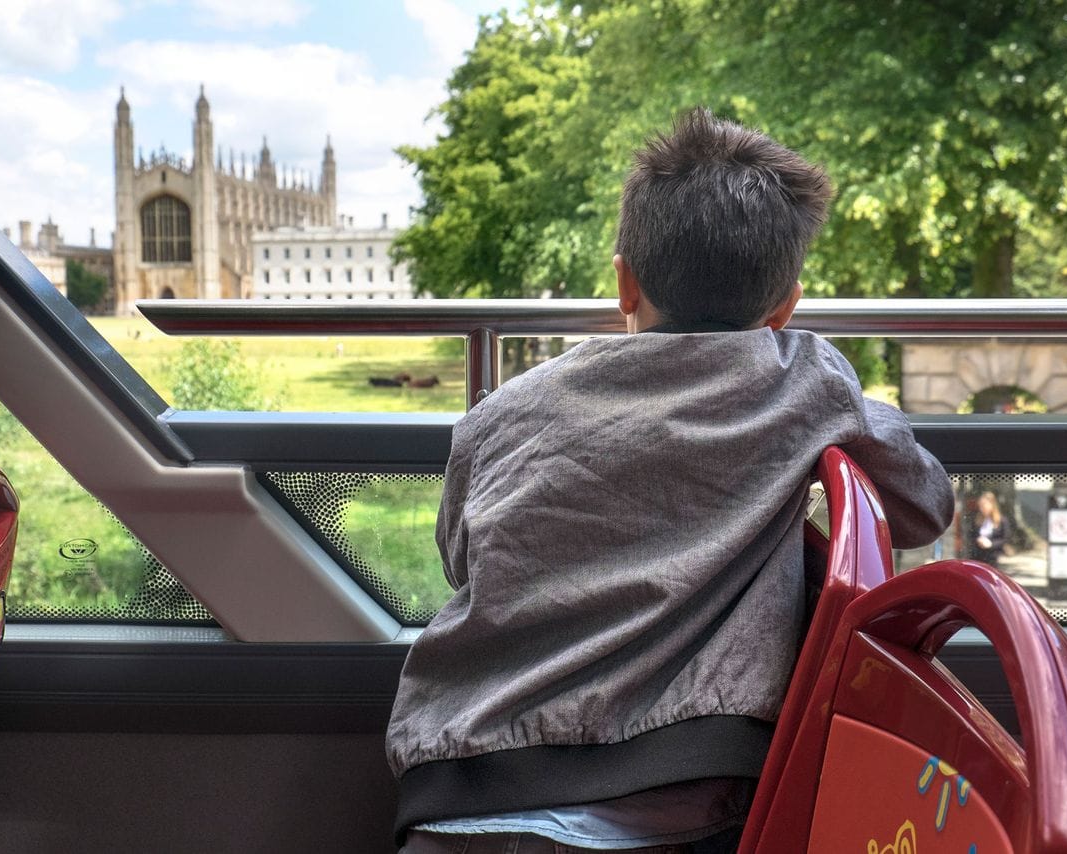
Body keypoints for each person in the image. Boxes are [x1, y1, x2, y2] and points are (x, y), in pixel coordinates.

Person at [386, 108, 955, 853]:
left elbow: (462, 557)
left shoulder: (501, 411)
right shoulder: (804, 380)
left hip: (462, 787)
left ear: (624, 283)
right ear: (785, 307)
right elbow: (925, 507)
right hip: (686, 793)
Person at [970, 491, 1010, 567]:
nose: (982, 509)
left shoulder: (1001, 520)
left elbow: (1005, 539)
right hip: (979, 557)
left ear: (992, 504)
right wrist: (978, 540)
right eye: (980, 506)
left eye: (984, 505)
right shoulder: (976, 520)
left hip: (995, 557)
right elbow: (971, 536)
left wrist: (991, 544)